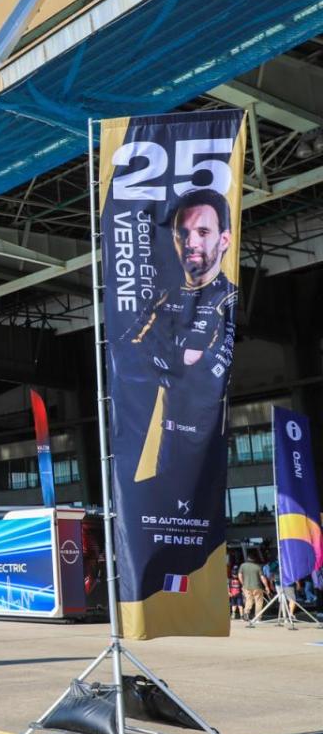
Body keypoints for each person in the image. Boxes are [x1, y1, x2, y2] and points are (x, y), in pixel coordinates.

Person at [121, 188, 237, 480]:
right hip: (160, 439)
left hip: (205, 438)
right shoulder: (163, 297)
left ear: (224, 239)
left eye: (202, 231)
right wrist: (178, 359)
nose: (191, 242)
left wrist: (159, 357)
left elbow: (206, 373)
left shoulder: (228, 299)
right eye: (182, 233)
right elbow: (127, 352)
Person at [238, 552, 268, 626]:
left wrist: (243, 584)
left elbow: (239, 575)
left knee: (249, 600)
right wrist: (267, 586)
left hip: (246, 587)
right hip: (257, 587)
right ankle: (258, 617)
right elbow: (262, 578)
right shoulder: (257, 567)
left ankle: (246, 614)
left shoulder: (243, 565)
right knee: (258, 602)